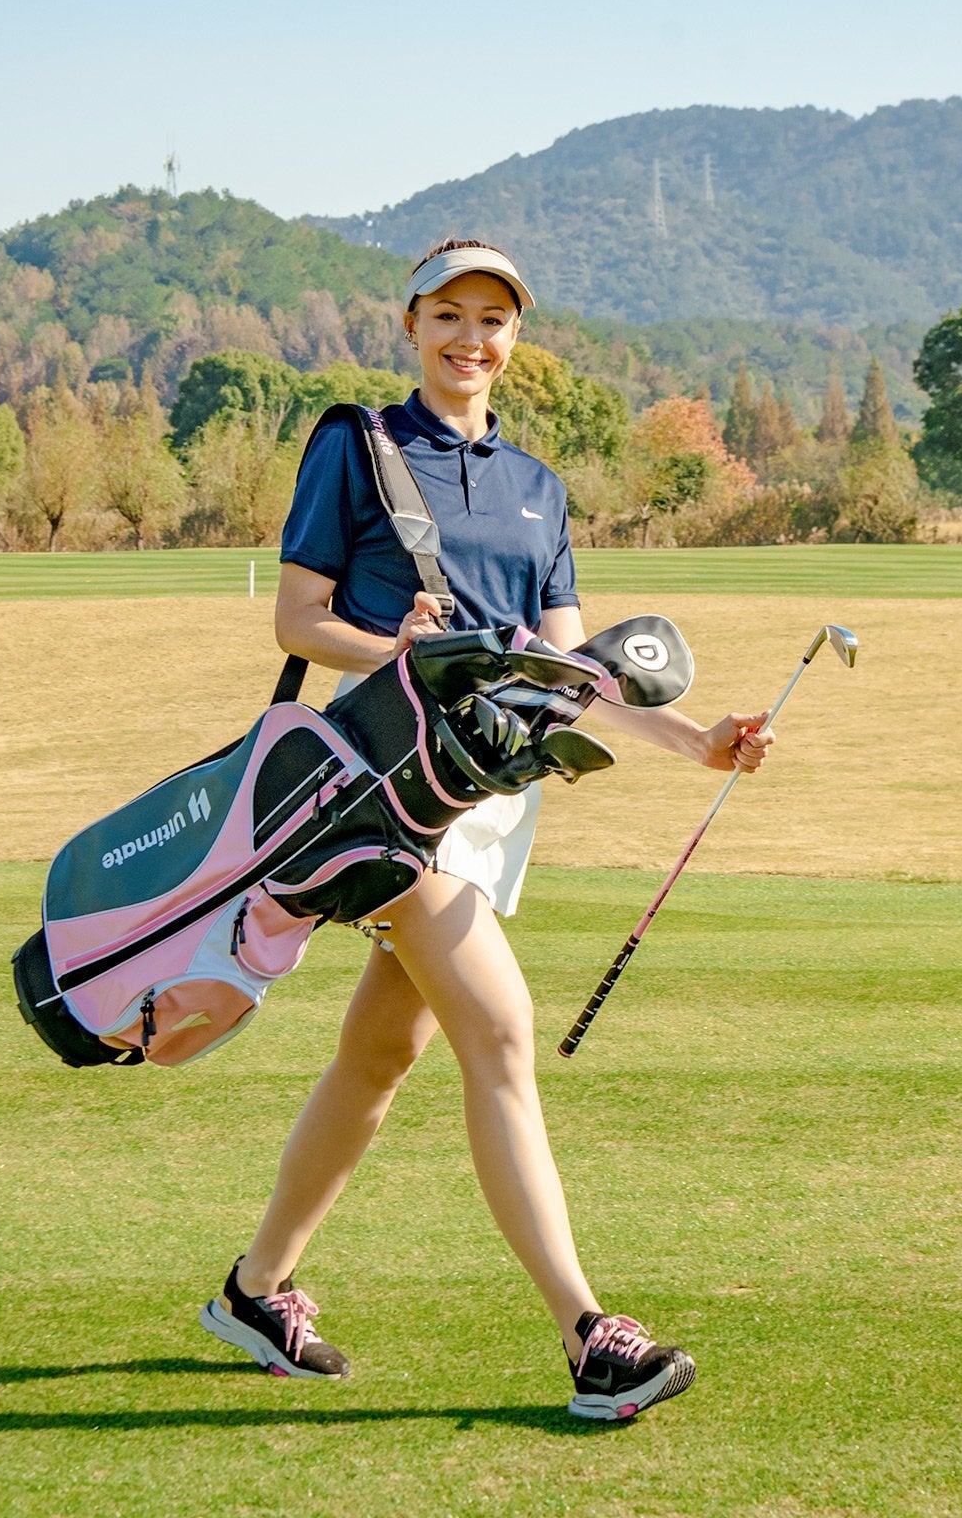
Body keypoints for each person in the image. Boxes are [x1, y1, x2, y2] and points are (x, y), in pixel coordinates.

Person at [199, 239, 774, 1420]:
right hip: (385, 787)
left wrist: (697, 741)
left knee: (379, 1055)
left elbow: (575, 670)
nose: (472, 336)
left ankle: (256, 1288)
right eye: (450, 314)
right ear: (411, 324)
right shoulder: (359, 448)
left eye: (493, 319)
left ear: (516, 337)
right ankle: (587, 1333)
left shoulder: (539, 485)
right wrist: (405, 651)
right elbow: (299, 621)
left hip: (493, 798)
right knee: (502, 1038)